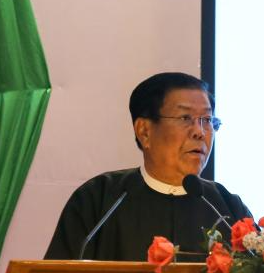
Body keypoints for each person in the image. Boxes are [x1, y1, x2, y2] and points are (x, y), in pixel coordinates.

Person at [44, 72, 252, 261]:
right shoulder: (98, 200)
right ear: (144, 131)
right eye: (185, 118)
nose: (199, 132)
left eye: (207, 120)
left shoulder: (228, 207)